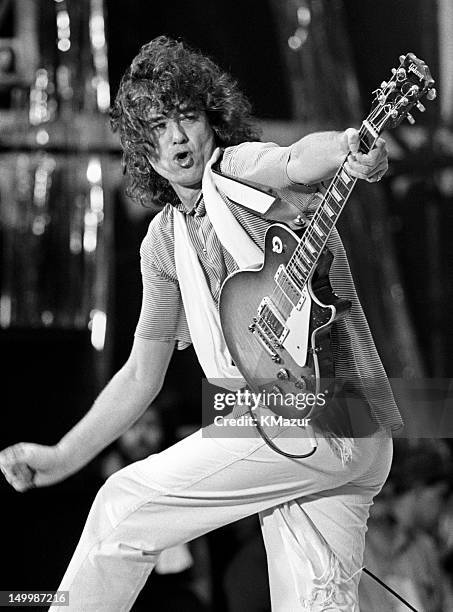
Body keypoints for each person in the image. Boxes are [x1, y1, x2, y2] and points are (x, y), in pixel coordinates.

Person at [0, 36, 401, 611]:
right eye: (159, 126)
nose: (178, 138)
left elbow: (291, 160)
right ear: (144, 149)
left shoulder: (238, 172)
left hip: (319, 416)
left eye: (187, 117)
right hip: (348, 442)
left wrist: (345, 146)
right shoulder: (163, 244)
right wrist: (62, 456)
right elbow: (142, 373)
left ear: (212, 119)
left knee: (123, 506)